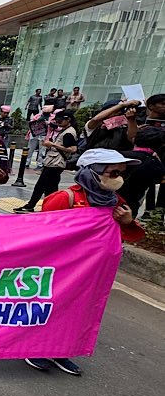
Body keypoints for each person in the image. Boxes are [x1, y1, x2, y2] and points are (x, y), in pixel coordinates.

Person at [25, 149, 144, 376]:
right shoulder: (65, 198)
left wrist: (128, 222)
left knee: (77, 311)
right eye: (113, 172)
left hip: (92, 272)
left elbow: (130, 234)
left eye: (121, 173)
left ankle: (62, 350)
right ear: (94, 172)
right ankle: (36, 346)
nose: (118, 177)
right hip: (59, 269)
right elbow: (38, 233)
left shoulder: (115, 202)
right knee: (49, 306)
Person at [14, 111, 78, 212]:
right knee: (50, 188)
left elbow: (73, 149)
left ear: (68, 119)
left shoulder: (69, 132)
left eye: (60, 120)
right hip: (53, 162)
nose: (58, 122)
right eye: (57, 120)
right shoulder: (65, 130)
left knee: (42, 186)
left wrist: (52, 145)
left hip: (56, 163)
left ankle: (33, 206)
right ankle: (49, 208)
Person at [118, 126, 165, 217]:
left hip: (104, 202)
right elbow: (160, 178)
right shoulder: (155, 165)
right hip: (129, 208)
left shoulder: (118, 156)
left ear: (134, 139)